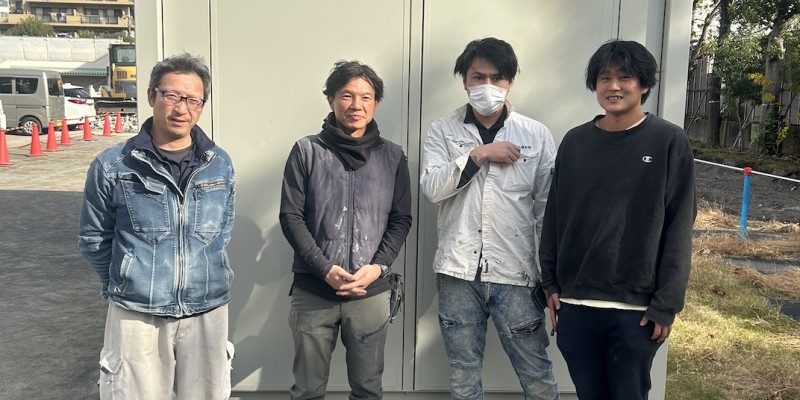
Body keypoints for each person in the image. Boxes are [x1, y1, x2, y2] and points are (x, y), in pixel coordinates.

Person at [539, 40, 697, 400]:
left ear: (644, 85)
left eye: (625, 77)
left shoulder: (668, 140)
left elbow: (679, 226)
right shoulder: (575, 142)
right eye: (604, 78)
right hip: (576, 304)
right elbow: (555, 217)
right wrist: (551, 284)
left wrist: (666, 304)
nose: (614, 86)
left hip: (636, 310)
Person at [78, 53, 236, 400]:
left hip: (207, 306)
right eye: (172, 95)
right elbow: (94, 238)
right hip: (137, 312)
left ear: (201, 106)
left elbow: (223, 230)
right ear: (152, 96)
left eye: (193, 100)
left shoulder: (219, 164)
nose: (182, 108)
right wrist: (126, 279)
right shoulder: (114, 165)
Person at [420, 37, 559, 400]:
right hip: (457, 273)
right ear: (464, 80)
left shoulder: (535, 135)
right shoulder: (443, 130)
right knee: (464, 378)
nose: (487, 86)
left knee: (538, 376)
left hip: (516, 274)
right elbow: (432, 189)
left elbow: (547, 211)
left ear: (510, 81)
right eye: (477, 77)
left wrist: (550, 278)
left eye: (497, 78)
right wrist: (479, 155)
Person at [279, 60, 412, 399]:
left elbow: (401, 219)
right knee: (307, 390)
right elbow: (291, 216)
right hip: (314, 289)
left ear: (376, 103)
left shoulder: (392, 157)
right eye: (347, 95)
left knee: (368, 390)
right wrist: (323, 269)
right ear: (331, 99)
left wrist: (377, 267)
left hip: (370, 291)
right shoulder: (306, 151)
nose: (356, 105)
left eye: (366, 97)